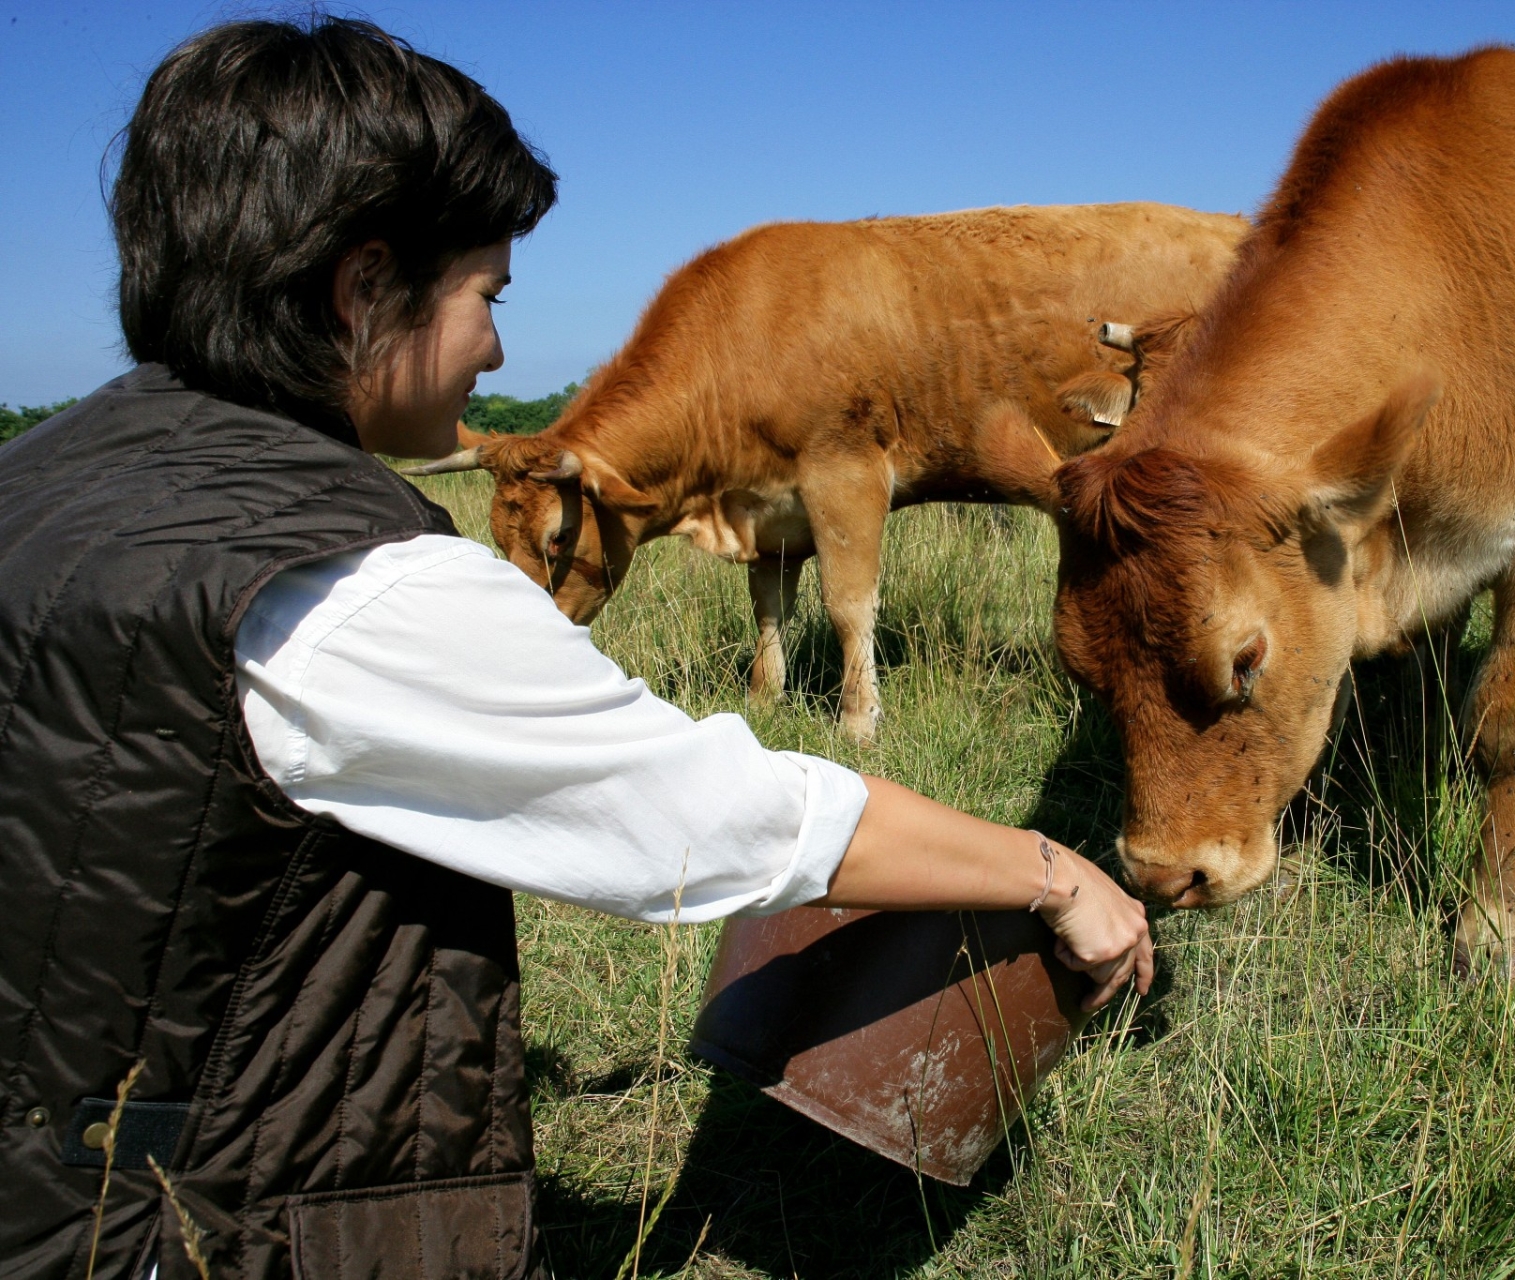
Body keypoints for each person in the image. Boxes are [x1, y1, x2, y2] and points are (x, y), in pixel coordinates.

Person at [0, 18, 1152, 1279]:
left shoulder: (37, 490)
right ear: (362, 290)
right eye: (486, 296)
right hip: (205, 1230)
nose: (497, 348)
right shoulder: (349, 588)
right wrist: (1053, 872)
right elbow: (712, 817)